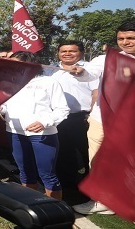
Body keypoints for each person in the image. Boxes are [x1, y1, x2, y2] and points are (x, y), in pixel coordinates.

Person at [70, 19, 135, 215]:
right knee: (97, 160)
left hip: (130, 122)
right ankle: (101, 201)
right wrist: (80, 72)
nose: (125, 42)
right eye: (121, 38)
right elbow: (89, 72)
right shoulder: (107, 58)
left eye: (131, 38)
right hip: (101, 118)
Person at [1, 51, 69, 200]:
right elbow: (5, 106)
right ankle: (30, 203)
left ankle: (55, 209)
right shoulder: (8, 83)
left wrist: (44, 122)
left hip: (42, 135)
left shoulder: (48, 82)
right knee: (25, 171)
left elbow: (62, 109)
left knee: (47, 174)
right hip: (14, 133)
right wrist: (0, 109)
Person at [48, 41, 98, 189]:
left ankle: (92, 184)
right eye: (63, 51)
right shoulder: (50, 70)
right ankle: (68, 183)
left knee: (87, 151)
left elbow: (96, 92)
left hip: (81, 118)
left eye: (72, 51)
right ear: (58, 53)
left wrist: (91, 114)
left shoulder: (89, 69)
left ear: (81, 53)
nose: (67, 54)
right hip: (58, 119)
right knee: (63, 152)